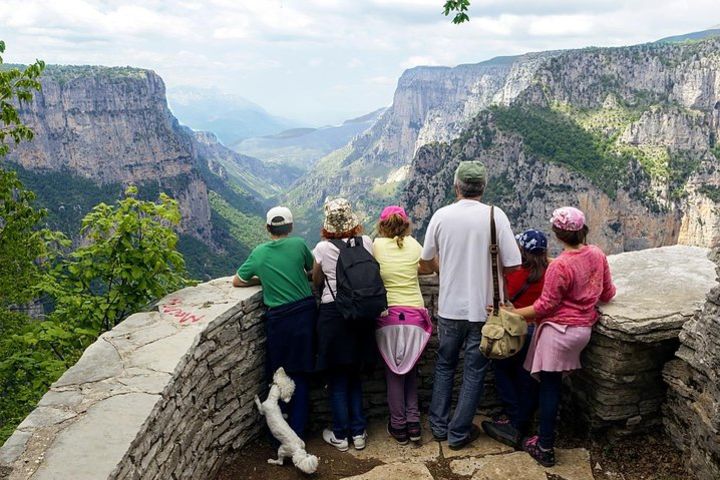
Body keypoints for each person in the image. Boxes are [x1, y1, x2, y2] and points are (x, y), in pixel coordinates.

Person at [420, 161, 522, 450]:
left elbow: (427, 261)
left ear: (456, 186)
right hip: (485, 311)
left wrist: (449, 267)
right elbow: (514, 263)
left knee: (444, 365)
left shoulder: (441, 216)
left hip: (450, 307)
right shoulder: (495, 216)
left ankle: (438, 427)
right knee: (474, 372)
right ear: (483, 187)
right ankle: (458, 433)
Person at [508, 207, 616, 467]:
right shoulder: (598, 254)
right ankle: (528, 426)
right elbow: (608, 293)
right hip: (583, 331)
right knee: (550, 385)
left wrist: (509, 313)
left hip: (558, 333)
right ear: (582, 230)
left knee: (550, 387)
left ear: (557, 234)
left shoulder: (560, 265)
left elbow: (544, 307)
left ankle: (545, 446)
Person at [233, 206, 316, 440]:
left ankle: (279, 433)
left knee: (279, 374)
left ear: (268, 228)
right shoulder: (299, 245)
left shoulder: (259, 253)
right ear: (290, 227)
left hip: (279, 319)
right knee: (301, 373)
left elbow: (238, 281)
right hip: (305, 315)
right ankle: (298, 430)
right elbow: (312, 270)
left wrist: (264, 278)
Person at [312, 198, 375, 452]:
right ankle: (359, 432)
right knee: (354, 374)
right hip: (361, 316)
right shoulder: (367, 242)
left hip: (333, 316)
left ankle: (340, 434)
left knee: (337, 377)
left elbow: (317, 280)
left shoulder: (322, 248)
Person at [482, 229, 549, 448]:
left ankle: (513, 419)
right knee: (528, 377)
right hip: (537, 331)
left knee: (502, 370)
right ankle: (523, 420)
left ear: (521, 249)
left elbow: (503, 300)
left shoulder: (513, 273)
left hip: (513, 331)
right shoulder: (551, 271)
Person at [373, 205, 434, 445]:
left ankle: (398, 426)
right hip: (415, 317)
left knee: (394, 373)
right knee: (409, 371)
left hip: (387, 317)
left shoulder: (376, 246)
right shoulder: (414, 245)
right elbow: (429, 267)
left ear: (382, 226)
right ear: (405, 224)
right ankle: (414, 424)